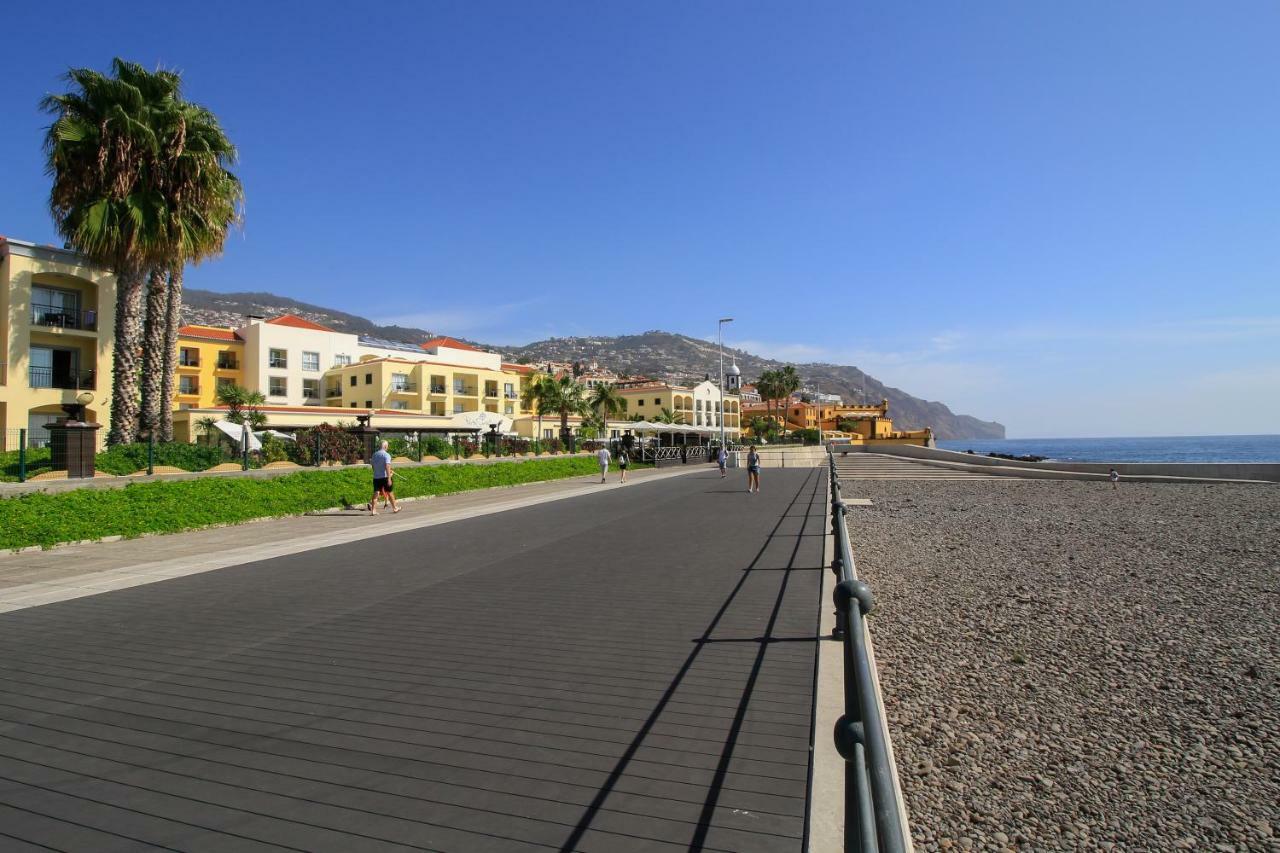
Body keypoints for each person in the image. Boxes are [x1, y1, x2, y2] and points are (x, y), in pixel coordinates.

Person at [369, 440, 400, 514]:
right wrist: (389, 478)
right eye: (387, 446)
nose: (388, 447)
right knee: (390, 492)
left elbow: (373, 466)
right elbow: (387, 466)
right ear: (385, 446)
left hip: (376, 477)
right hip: (385, 477)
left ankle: (373, 510)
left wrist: (376, 472)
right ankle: (395, 508)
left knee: (376, 493)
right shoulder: (386, 455)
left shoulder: (374, 455)